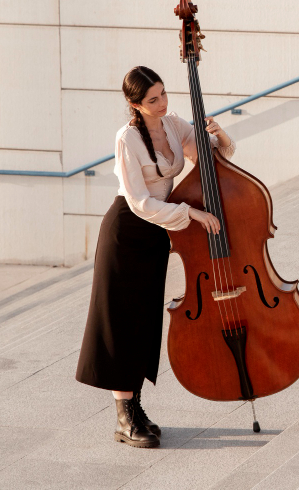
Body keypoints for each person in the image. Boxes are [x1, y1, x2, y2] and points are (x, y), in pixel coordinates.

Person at [75, 65, 235, 448]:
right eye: (152, 99)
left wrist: (221, 135)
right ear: (134, 104)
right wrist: (191, 213)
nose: (162, 103)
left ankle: (137, 409)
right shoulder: (127, 138)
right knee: (119, 320)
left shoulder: (175, 124)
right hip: (127, 230)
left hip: (156, 234)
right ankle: (124, 417)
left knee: (144, 321)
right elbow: (140, 201)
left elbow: (212, 158)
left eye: (163, 94)